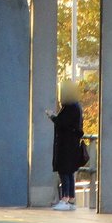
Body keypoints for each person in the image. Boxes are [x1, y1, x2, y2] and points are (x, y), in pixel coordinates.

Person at [47, 80, 85, 211]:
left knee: (64, 171)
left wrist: (52, 116)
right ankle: (71, 199)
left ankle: (65, 198)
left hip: (66, 145)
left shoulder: (70, 107)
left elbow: (62, 123)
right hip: (72, 144)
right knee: (69, 172)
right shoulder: (76, 106)